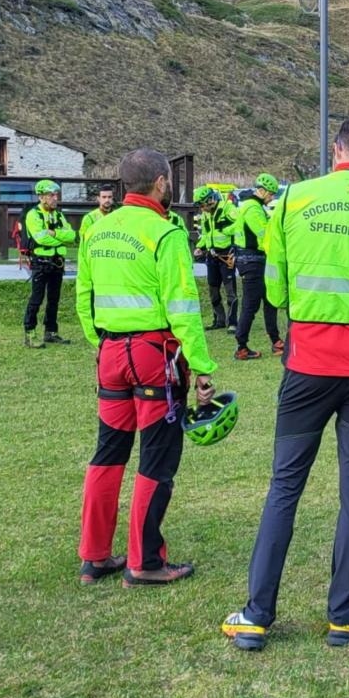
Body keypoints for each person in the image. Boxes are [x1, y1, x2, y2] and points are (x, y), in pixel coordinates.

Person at [221, 118, 349, 652]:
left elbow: (273, 291)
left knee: (284, 487)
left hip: (307, 365)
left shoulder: (292, 199)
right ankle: (343, 615)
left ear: (337, 151)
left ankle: (256, 615)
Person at [75, 148, 217, 587]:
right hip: (154, 357)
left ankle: (94, 556)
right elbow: (182, 308)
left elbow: (84, 297)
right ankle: (145, 562)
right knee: (156, 457)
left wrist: (101, 343)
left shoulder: (98, 230)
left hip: (111, 354)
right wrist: (203, 366)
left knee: (108, 455)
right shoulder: (165, 233)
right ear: (160, 182)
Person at [233, 173, 283, 361]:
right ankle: (242, 346)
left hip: (256, 261)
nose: (271, 198)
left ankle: (276, 340)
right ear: (261, 191)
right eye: (270, 194)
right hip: (252, 261)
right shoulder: (252, 208)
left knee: (270, 300)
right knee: (251, 305)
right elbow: (264, 236)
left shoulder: (252, 206)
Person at [23, 179, 77, 348]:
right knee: (36, 299)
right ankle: (30, 333)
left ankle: (51, 332)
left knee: (54, 299)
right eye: (51, 195)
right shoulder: (33, 215)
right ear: (41, 197)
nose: (55, 198)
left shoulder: (59, 215)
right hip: (41, 262)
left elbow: (72, 236)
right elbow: (40, 238)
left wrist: (53, 233)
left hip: (58, 263)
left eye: (56, 195)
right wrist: (60, 239)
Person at [192, 186, 239, 331]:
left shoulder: (228, 208)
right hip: (212, 256)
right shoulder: (206, 214)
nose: (201, 209)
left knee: (230, 290)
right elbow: (206, 234)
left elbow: (239, 225)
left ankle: (232, 322)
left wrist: (225, 228)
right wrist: (200, 247)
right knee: (213, 288)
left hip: (227, 254)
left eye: (202, 205)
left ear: (210, 200)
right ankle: (219, 320)